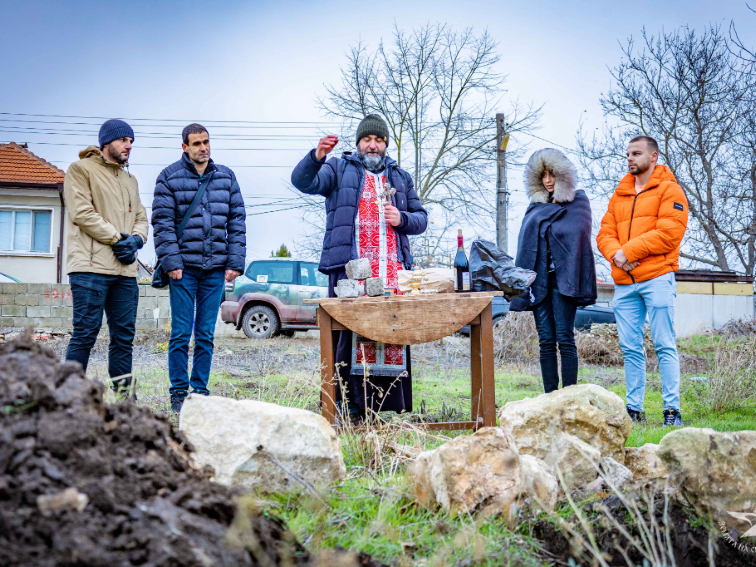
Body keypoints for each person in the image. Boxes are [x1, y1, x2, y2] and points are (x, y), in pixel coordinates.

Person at [291, 114, 427, 424]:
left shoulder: (400, 177)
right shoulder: (338, 169)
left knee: (390, 334)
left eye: (379, 140)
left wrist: (402, 219)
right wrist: (316, 157)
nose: (373, 145)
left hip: (392, 270)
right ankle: (347, 407)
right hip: (351, 271)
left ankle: (383, 408)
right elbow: (303, 182)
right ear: (358, 143)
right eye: (368, 139)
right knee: (348, 337)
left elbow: (421, 219)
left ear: (386, 145)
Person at [152, 124, 246, 413]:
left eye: (206, 142)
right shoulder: (168, 177)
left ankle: (200, 391)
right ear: (185, 147)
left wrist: (234, 263)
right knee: (181, 333)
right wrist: (172, 262)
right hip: (184, 269)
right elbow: (163, 222)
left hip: (215, 268)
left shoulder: (226, 177)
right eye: (196, 144)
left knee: (205, 334)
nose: (203, 148)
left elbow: (237, 222)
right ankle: (179, 393)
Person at [597, 136, 688, 427]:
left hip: (658, 278)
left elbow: (669, 233)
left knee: (664, 344)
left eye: (636, 153)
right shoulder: (620, 193)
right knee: (631, 348)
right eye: (627, 154)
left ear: (654, 156)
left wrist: (628, 251)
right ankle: (634, 410)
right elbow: (604, 234)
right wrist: (618, 256)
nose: (630, 159)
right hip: (624, 284)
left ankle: (671, 411)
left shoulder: (670, 190)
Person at [64, 119, 148, 400]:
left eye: (132, 141)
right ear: (107, 142)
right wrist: (118, 238)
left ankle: (125, 401)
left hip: (125, 271)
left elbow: (141, 218)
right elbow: (81, 213)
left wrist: (136, 240)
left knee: (124, 339)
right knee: (85, 334)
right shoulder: (80, 170)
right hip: (90, 268)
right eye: (124, 140)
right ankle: (67, 400)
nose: (129, 145)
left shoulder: (130, 180)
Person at [509, 149, 597, 393]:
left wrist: (556, 213)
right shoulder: (535, 207)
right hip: (539, 281)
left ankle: (568, 397)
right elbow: (525, 241)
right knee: (546, 341)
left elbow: (577, 234)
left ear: (563, 175)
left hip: (563, 280)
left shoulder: (578, 202)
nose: (548, 180)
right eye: (543, 175)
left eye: (552, 175)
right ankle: (549, 396)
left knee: (565, 339)